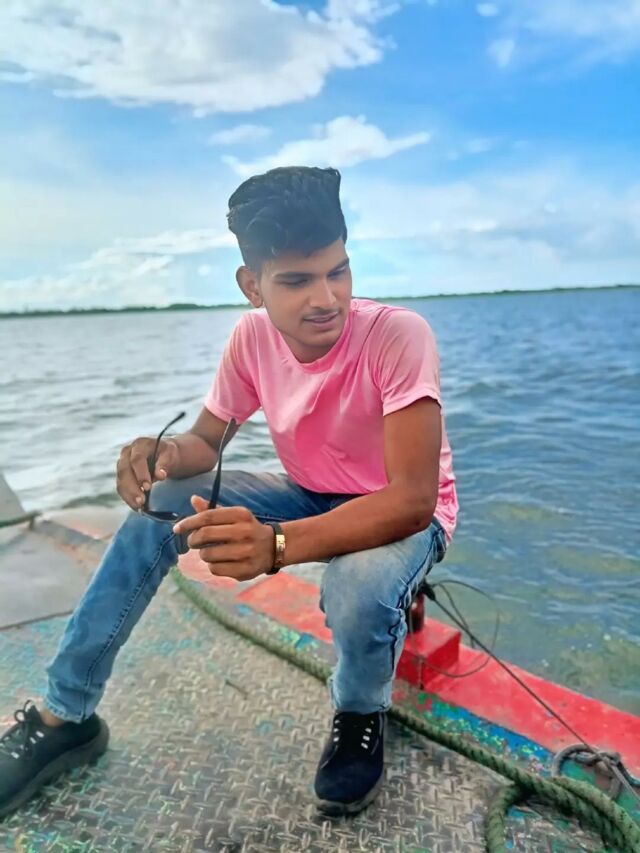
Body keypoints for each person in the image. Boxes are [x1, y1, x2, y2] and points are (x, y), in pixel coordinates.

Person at [0, 166, 457, 819]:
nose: (326, 298)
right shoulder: (251, 337)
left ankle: (360, 714)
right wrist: (161, 455)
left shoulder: (397, 335)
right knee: (163, 505)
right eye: (296, 281)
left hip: (401, 511)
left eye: (339, 271)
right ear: (251, 286)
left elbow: (412, 499)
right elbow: (205, 442)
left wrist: (277, 544)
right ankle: (64, 713)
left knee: (357, 588)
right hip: (310, 490)